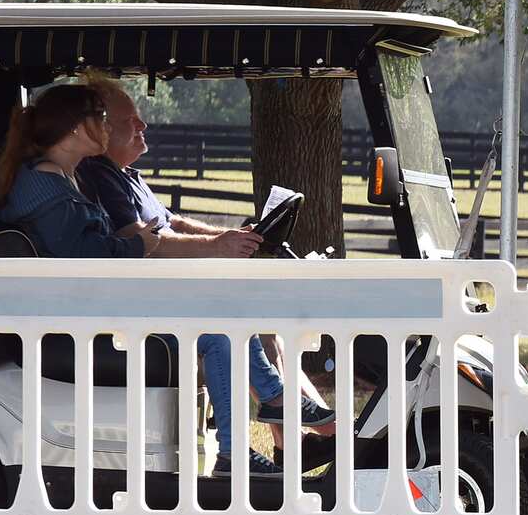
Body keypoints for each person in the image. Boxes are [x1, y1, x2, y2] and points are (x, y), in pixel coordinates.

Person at [0, 84, 287, 478]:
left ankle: (258, 420)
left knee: (223, 316)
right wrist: (138, 244)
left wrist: (135, 243)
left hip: (87, 309)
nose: (108, 128)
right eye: (101, 119)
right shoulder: (49, 191)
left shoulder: (62, 179)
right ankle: (258, 422)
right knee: (219, 327)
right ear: (78, 129)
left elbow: (91, 251)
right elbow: (89, 258)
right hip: (79, 322)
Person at [75, 74, 336, 441]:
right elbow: (148, 239)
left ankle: (300, 436)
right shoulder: (100, 175)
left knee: (264, 327)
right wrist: (218, 247)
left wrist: (228, 237)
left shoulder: (125, 174)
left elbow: (171, 221)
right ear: (101, 129)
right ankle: (317, 431)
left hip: (166, 294)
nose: (142, 125)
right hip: (146, 301)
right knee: (243, 322)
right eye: (129, 121)